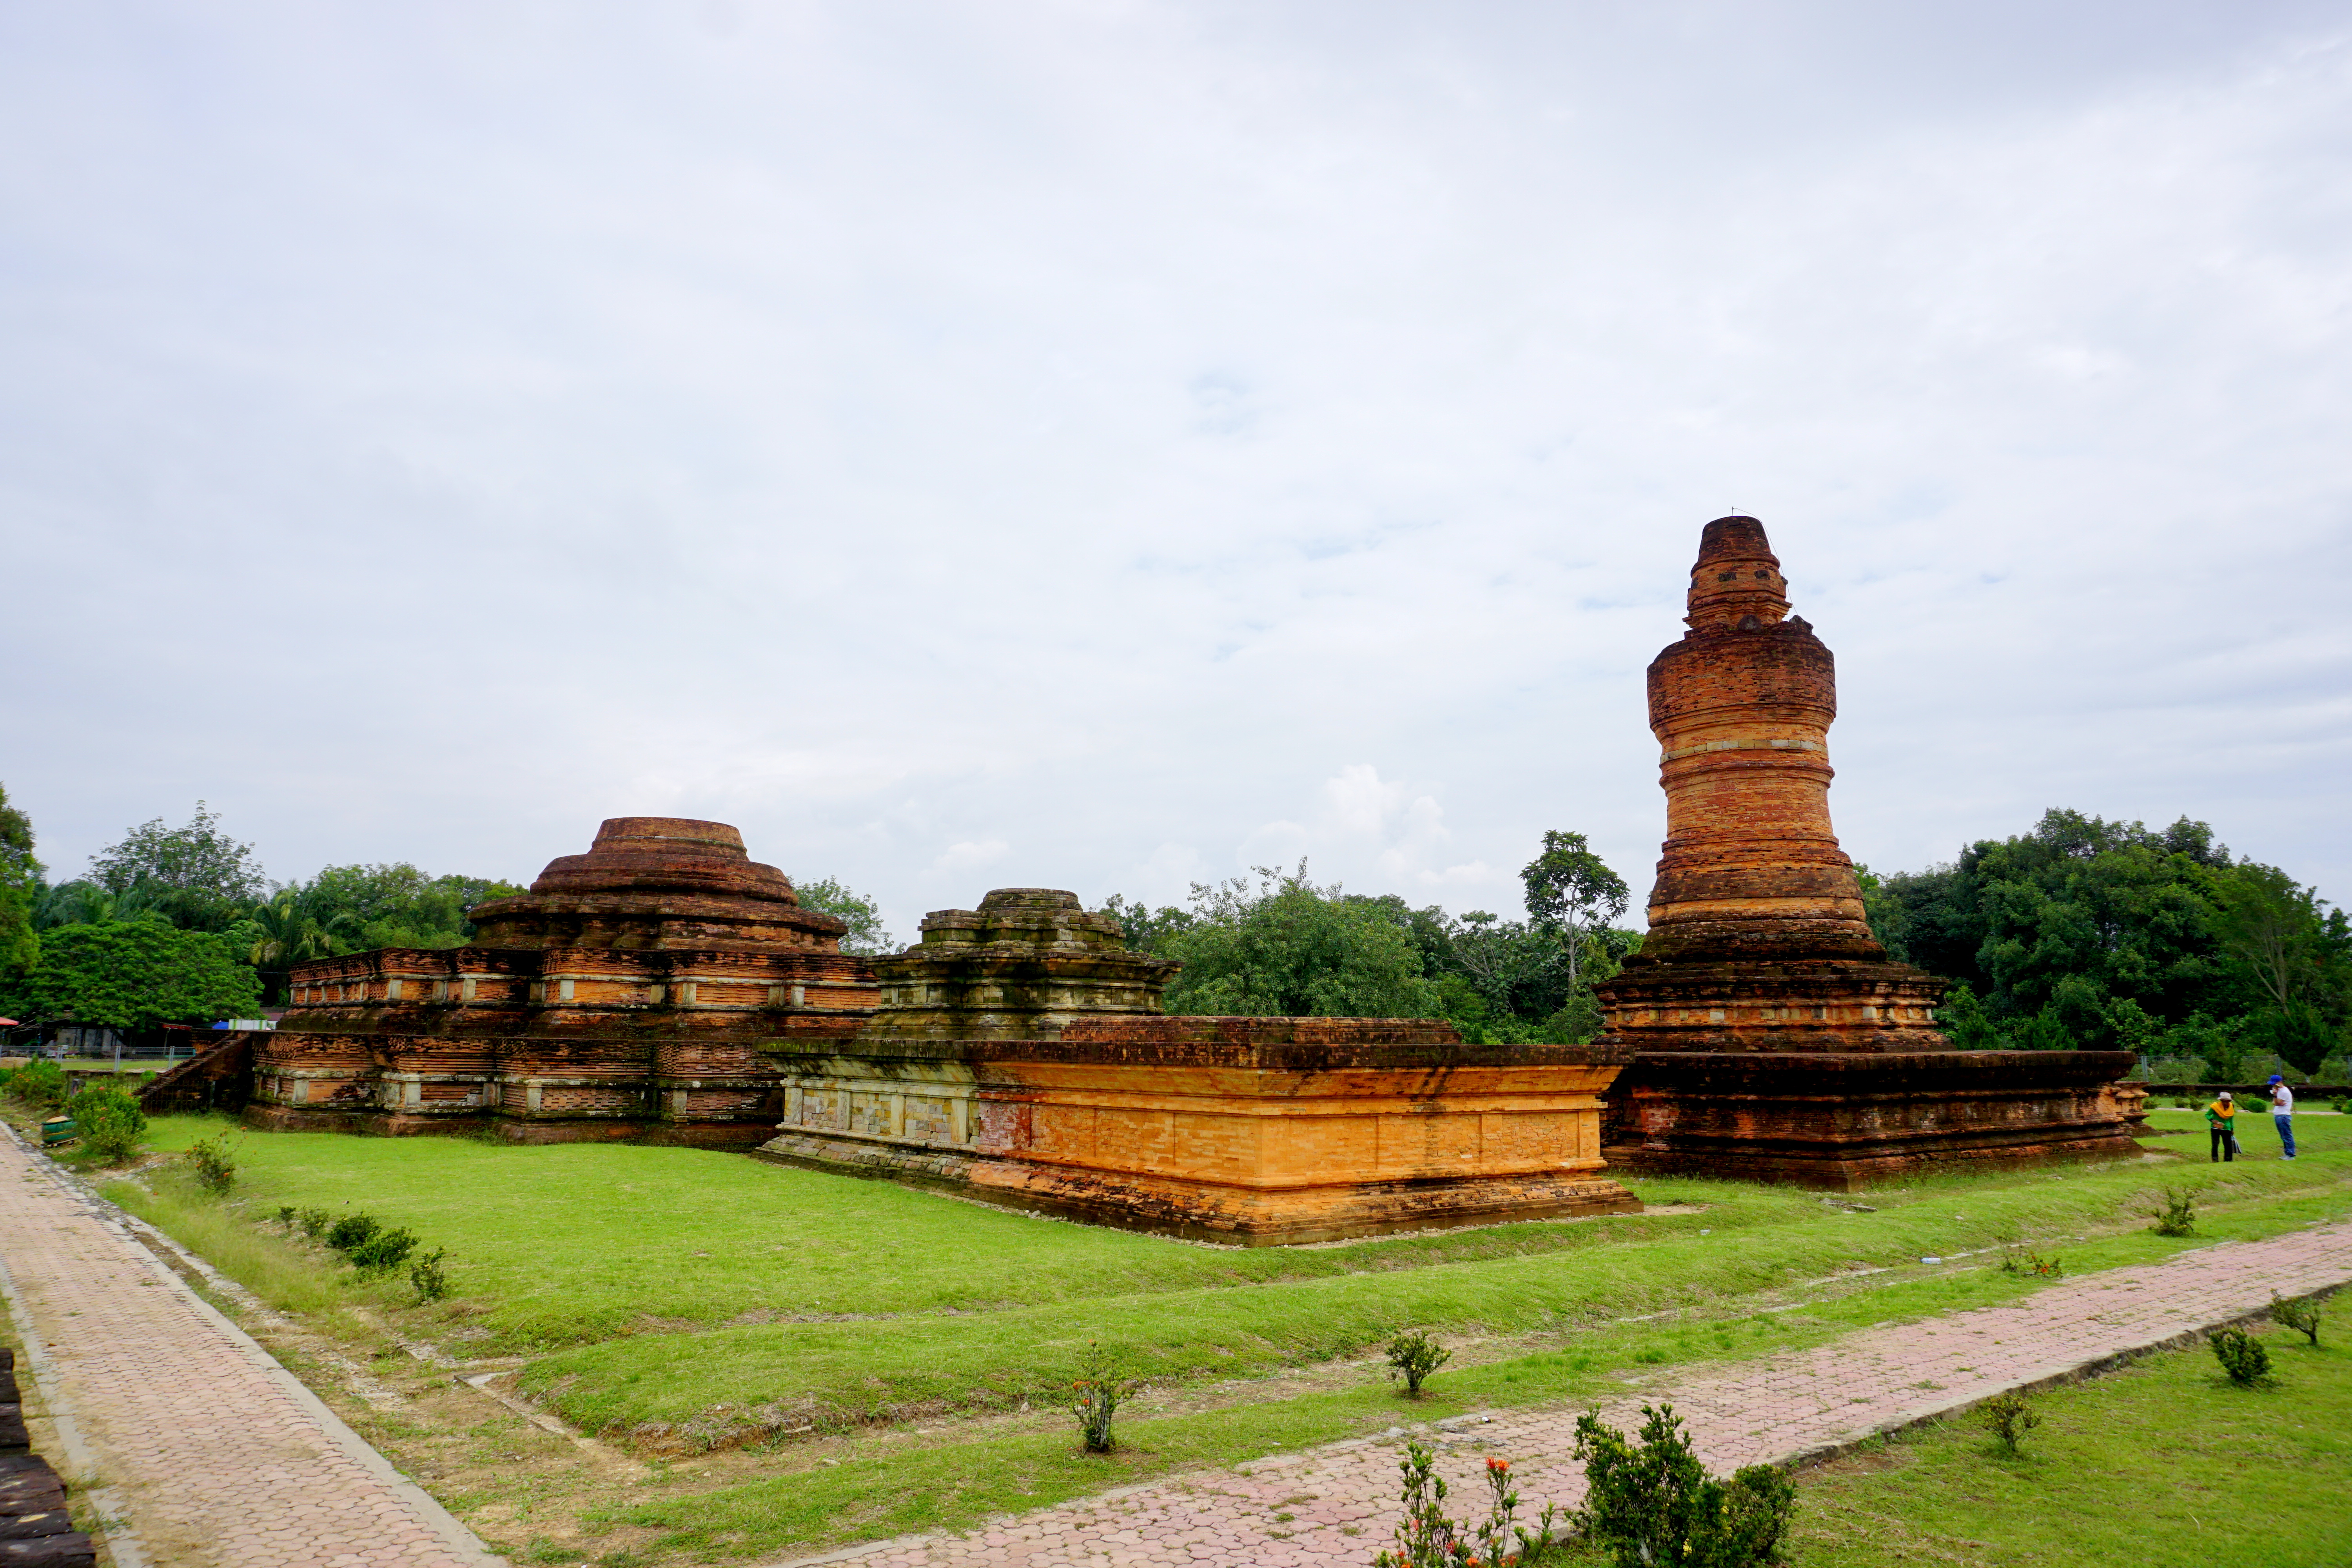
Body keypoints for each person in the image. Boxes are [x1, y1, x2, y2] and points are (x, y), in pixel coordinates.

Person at [2205, 1091, 2239, 1162]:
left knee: (2228, 1145)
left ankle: (2228, 1160)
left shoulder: (2231, 1107)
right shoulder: (2215, 1107)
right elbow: (2207, 1115)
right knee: (2215, 1144)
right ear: (2221, 1101)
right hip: (2215, 1128)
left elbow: (2231, 1118)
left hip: (2227, 1128)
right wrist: (2212, 1120)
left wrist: (2232, 1129)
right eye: (2224, 1102)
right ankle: (2215, 1160)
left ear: (2230, 1101)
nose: (2225, 1103)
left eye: (2227, 1102)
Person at [2269, 1074, 2296, 1160]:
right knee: (2283, 1136)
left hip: (2283, 1116)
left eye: (2275, 1084)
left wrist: (2275, 1095)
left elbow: (2277, 1103)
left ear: (2279, 1082)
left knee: (2287, 1135)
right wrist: (2276, 1097)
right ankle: (2287, 1153)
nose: (2273, 1086)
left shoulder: (2284, 1091)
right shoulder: (2279, 1091)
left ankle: (2291, 1154)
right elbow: (2274, 1103)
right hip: (2279, 1115)